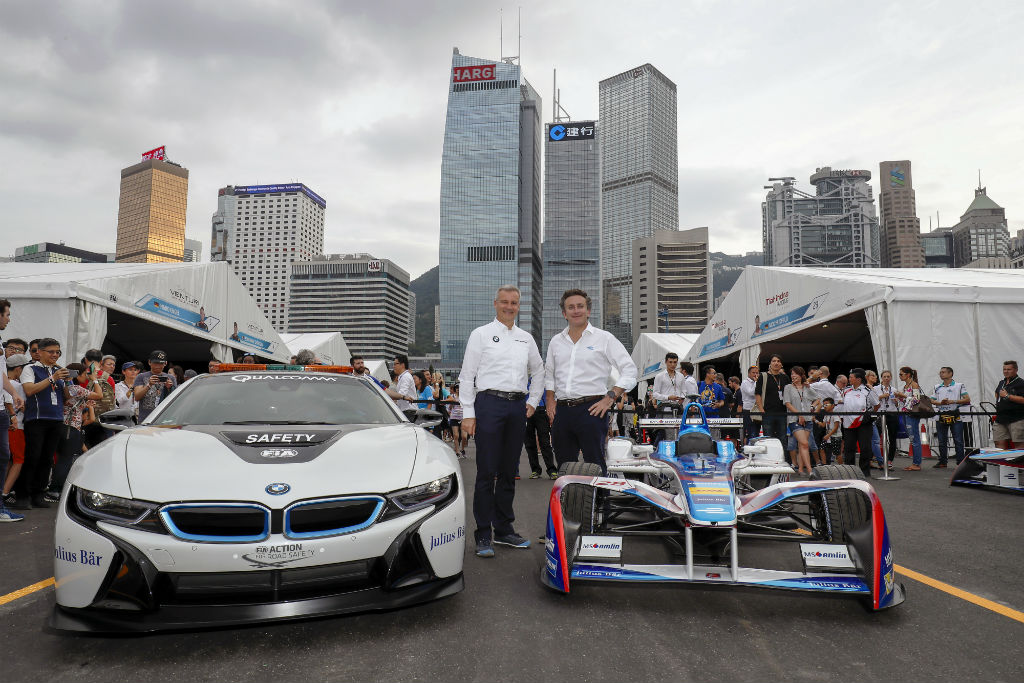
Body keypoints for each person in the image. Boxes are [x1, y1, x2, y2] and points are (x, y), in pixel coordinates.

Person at [458, 285, 544, 558]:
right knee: (486, 472)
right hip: (489, 404)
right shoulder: (480, 334)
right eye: (504, 302)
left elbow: (539, 371)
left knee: (509, 471)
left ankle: (504, 529)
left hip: (517, 406)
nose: (509, 306)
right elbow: (466, 375)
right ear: (495, 303)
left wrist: (533, 401)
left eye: (514, 303)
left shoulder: (526, 338)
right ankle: (483, 533)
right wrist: (468, 413)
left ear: (519, 306)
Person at [545, 289, 637, 473]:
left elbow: (630, 370)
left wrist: (610, 397)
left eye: (580, 306)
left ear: (588, 311)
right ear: (564, 313)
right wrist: (549, 400)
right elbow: (549, 374)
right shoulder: (556, 341)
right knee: (564, 468)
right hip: (562, 412)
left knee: (595, 465)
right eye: (571, 307)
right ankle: (569, 494)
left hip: (592, 409)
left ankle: (599, 494)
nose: (576, 310)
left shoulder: (604, 338)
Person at [13, 338, 69, 510]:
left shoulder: (59, 371)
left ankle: (38, 494)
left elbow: (67, 397)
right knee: (33, 457)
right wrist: (52, 378)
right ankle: (22, 495)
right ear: (40, 352)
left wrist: (68, 382)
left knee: (47, 458)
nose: (55, 355)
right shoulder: (30, 368)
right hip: (36, 419)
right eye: (51, 351)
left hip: (56, 419)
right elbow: (29, 390)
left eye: (57, 352)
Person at [49, 363, 102, 501]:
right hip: (70, 427)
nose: (87, 377)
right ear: (77, 374)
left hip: (60, 425)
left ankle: (53, 488)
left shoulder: (64, 386)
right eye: (85, 374)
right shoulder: (76, 388)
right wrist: (95, 380)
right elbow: (99, 395)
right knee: (65, 459)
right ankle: (55, 490)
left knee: (60, 458)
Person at [0, 302, 26, 521]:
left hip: (1, 410)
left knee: (4, 457)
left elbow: (1, 376)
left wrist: (12, 396)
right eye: (7, 315)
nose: (9, 319)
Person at [2, 353, 31, 512]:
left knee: (7, 460)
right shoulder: (17, 386)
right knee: (19, 460)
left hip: (7, 426)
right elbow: (21, 406)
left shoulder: (6, 382)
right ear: (19, 369)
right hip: (16, 426)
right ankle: (5, 493)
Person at [840, 368, 879, 477]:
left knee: (865, 447)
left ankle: (864, 472)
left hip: (863, 423)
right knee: (849, 448)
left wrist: (868, 415)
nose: (849, 379)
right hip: (848, 423)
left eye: (851, 377)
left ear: (858, 379)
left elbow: (877, 404)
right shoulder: (846, 390)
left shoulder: (868, 390)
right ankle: (850, 471)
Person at [932, 367, 970, 467]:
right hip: (941, 414)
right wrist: (940, 403)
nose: (941, 374)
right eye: (940, 372)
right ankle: (943, 461)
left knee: (958, 440)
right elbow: (931, 400)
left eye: (943, 372)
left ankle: (960, 462)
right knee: (941, 440)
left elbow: (967, 399)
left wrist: (953, 401)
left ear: (950, 374)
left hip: (955, 414)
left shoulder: (959, 385)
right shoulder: (937, 386)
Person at [784, 366, 818, 475]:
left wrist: (812, 407)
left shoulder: (807, 387)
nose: (793, 376)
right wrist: (799, 415)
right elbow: (787, 404)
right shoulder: (788, 387)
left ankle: (800, 469)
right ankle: (810, 471)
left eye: (796, 373)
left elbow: (817, 398)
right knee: (804, 443)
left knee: (802, 445)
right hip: (794, 419)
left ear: (801, 375)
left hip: (808, 419)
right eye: (792, 374)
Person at [133, 350, 178, 423]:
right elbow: (137, 397)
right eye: (155, 363)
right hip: (145, 419)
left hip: (165, 418)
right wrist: (149, 385)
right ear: (149, 362)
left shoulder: (171, 378)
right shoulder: (141, 377)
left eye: (161, 363)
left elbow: (176, 400)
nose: (158, 366)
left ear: (165, 363)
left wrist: (169, 388)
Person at [524, 384, 557, 480]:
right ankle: (535, 470)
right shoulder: (523, 378)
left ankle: (552, 470)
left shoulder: (543, 378)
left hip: (541, 410)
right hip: (526, 409)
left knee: (545, 442)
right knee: (529, 443)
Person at [754, 354, 790, 441]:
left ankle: (782, 451)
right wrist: (762, 411)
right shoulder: (763, 376)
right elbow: (758, 394)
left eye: (778, 361)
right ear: (770, 363)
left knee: (783, 439)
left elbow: (790, 392)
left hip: (782, 413)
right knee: (768, 439)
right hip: (767, 413)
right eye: (774, 361)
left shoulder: (785, 377)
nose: (776, 363)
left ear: (781, 364)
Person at [895, 366, 923, 471]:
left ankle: (917, 463)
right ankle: (915, 462)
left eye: (901, 374)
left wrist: (902, 395)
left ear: (908, 375)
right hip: (905, 413)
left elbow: (917, 399)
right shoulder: (906, 386)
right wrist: (899, 398)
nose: (900, 376)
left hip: (912, 414)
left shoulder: (914, 384)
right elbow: (906, 401)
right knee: (912, 438)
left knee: (914, 438)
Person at [993, 360, 1024, 450]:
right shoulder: (1002, 382)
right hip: (1000, 418)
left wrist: (1007, 396)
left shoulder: (1021, 383)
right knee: (998, 444)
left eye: (1009, 369)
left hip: (1016, 418)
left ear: (1016, 370)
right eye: (1004, 369)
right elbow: (997, 393)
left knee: (1019, 445)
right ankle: (1002, 460)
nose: (1006, 371)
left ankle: (1019, 459)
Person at [877, 370, 900, 467]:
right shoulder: (876, 388)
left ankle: (890, 460)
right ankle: (877, 458)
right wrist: (882, 396)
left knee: (892, 437)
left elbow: (898, 405)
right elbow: (872, 400)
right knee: (876, 437)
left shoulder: (894, 389)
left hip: (892, 413)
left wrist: (896, 401)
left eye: (888, 376)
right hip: (880, 413)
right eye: (884, 376)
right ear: (881, 378)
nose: (886, 378)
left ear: (891, 378)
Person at [865, 370, 885, 470]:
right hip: (870, 416)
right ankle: (881, 462)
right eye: (872, 376)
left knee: (871, 441)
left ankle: (869, 461)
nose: (875, 377)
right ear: (867, 377)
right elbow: (877, 403)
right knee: (875, 440)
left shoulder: (871, 388)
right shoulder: (869, 388)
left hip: (870, 416)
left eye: (875, 376)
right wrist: (873, 412)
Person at [813, 397, 842, 465]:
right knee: (822, 448)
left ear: (832, 406)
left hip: (835, 436)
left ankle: (841, 466)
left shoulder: (835, 415)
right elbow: (823, 425)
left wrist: (828, 435)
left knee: (837, 453)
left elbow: (836, 427)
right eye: (824, 405)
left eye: (826, 404)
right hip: (828, 437)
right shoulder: (826, 415)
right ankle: (824, 464)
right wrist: (815, 420)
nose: (824, 406)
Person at [739, 366, 759, 442]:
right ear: (749, 373)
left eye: (757, 373)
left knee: (757, 431)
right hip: (748, 409)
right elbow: (751, 393)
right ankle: (749, 447)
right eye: (753, 373)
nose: (755, 374)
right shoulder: (745, 382)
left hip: (757, 409)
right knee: (751, 432)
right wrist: (756, 382)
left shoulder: (757, 382)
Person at [448, 384, 467, 457]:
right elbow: (449, 408)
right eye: (456, 388)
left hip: (463, 418)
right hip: (454, 417)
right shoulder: (452, 396)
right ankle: (457, 451)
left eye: (459, 388)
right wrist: (451, 405)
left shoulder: (465, 397)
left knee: (464, 436)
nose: (458, 389)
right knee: (456, 435)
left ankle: (462, 449)